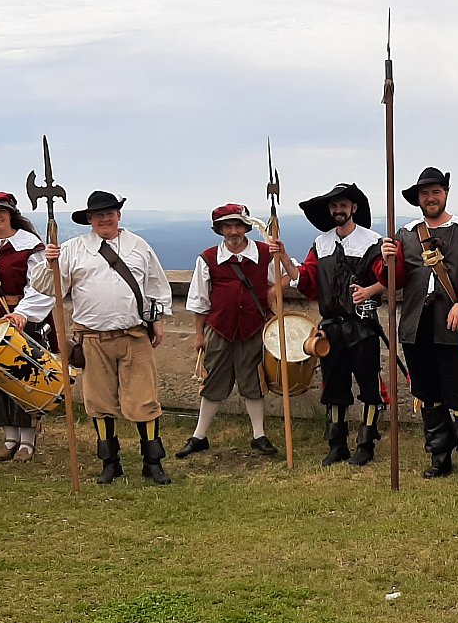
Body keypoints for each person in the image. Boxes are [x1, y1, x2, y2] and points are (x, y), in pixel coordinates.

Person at [30, 190, 174, 485]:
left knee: (144, 400)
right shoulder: (73, 249)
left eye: (109, 213)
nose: (104, 219)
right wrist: (49, 262)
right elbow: (47, 287)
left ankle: (152, 463)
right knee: (99, 402)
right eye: (98, 215)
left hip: (134, 335)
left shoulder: (138, 246)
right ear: (90, 220)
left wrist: (157, 321)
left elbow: (156, 285)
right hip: (92, 338)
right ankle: (110, 463)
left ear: (118, 215)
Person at [378, 167, 458, 487]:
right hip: (416, 325)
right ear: (418, 199)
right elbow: (394, 281)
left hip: (452, 325)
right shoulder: (405, 234)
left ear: (446, 194)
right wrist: (386, 260)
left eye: (436, 192)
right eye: (425, 193)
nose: (431, 198)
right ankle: (439, 455)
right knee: (427, 393)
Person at [174, 204, 290, 460]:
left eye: (238, 225)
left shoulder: (264, 253)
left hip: (254, 328)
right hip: (219, 329)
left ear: (246, 228)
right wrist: (199, 335)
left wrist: (273, 291)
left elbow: (288, 274)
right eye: (228, 226)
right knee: (213, 381)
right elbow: (200, 300)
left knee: (253, 381)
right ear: (220, 230)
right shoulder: (208, 258)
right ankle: (199, 437)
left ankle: (259, 435)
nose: (234, 231)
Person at [294, 184, 388, 466]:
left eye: (343, 205)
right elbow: (309, 281)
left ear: (353, 208)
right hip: (331, 328)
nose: (338, 210)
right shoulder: (320, 243)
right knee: (334, 386)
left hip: (362, 326)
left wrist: (370, 289)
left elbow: (388, 278)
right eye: (334, 206)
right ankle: (337, 445)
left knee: (369, 386)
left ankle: (366, 444)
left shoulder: (372, 241)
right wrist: (284, 259)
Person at [0, 192, 55, 461]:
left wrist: (23, 314)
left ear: (11, 215)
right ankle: (9, 437)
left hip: (20, 318)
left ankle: (27, 440)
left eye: (1, 211)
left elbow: (40, 285)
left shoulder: (30, 246)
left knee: (22, 376)